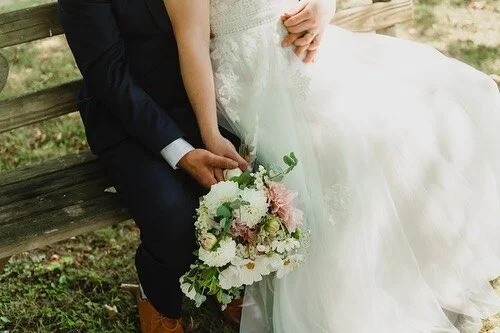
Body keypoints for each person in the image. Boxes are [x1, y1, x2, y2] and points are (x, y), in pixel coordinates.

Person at [165, 0, 500, 332]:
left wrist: (324, 8)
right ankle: (355, 303)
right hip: (252, 78)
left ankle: (425, 278)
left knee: (426, 109)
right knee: (344, 150)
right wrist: (210, 133)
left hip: (313, 53)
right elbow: (191, 39)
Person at [58, 0, 252, 332]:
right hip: (125, 118)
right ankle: (157, 295)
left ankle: (231, 277)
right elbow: (109, 77)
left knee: (252, 185)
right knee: (174, 216)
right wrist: (181, 153)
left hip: (203, 100)